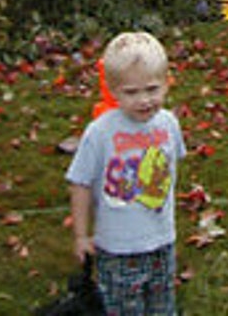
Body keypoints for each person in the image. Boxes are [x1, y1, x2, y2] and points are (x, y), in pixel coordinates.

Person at [67, 31, 186, 315]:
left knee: (162, 305)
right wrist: (82, 235)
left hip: (162, 241)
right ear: (112, 89)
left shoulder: (168, 124)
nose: (144, 100)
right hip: (117, 248)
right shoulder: (100, 132)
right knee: (123, 308)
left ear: (167, 84)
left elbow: (171, 168)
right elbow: (80, 182)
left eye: (152, 89)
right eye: (131, 92)